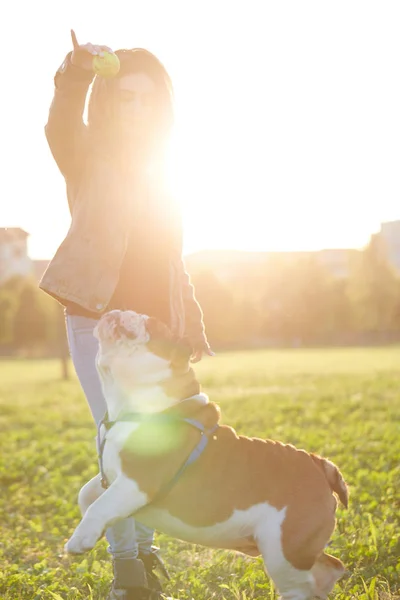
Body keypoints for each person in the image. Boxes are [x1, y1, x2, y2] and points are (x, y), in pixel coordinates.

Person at [40, 30, 213, 600]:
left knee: (161, 444)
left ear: (160, 103)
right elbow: (61, 122)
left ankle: (138, 544)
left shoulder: (169, 170)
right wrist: (76, 72)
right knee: (116, 440)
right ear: (109, 102)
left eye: (144, 97)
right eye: (124, 97)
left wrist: (190, 325)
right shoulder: (87, 155)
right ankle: (129, 573)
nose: (133, 107)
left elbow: (172, 259)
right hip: (98, 320)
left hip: (153, 331)